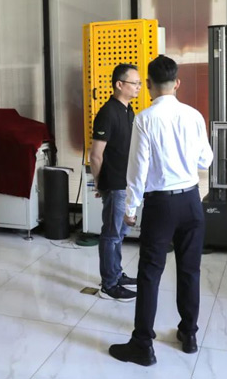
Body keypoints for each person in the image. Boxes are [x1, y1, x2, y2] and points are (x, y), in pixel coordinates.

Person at [109, 55, 214, 366]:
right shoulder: (193, 116)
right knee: (190, 270)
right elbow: (205, 160)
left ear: (149, 85)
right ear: (177, 83)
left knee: (150, 273)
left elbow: (137, 170)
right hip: (191, 201)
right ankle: (189, 334)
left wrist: (131, 207)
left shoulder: (144, 119)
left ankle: (143, 345)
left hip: (161, 205)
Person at [89, 63, 140, 302]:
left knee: (119, 233)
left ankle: (117, 274)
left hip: (126, 183)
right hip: (114, 183)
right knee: (111, 234)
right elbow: (95, 155)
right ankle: (108, 285)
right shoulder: (107, 112)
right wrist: (100, 183)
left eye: (139, 83)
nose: (139, 87)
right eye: (134, 83)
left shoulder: (128, 110)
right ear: (119, 84)